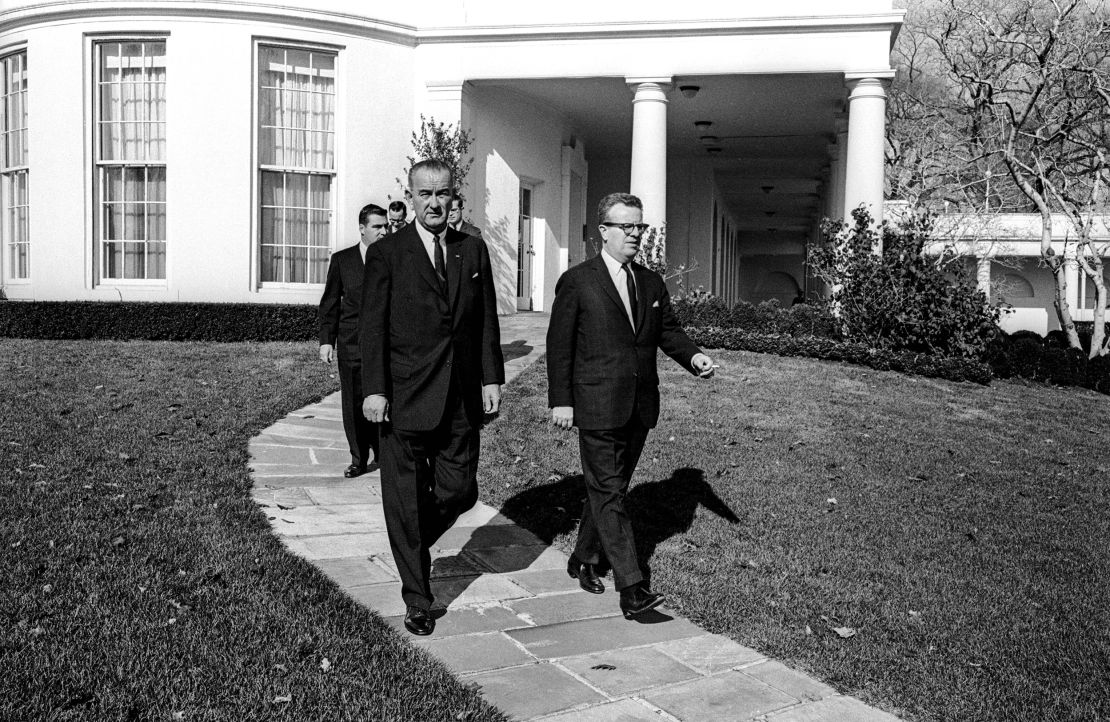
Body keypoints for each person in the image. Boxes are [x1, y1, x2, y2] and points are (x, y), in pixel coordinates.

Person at [546, 192, 717, 620]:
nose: (635, 234)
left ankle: (584, 556)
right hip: (596, 405)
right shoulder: (578, 281)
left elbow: (668, 332)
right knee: (608, 491)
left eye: (639, 226)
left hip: (639, 406)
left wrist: (693, 357)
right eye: (626, 226)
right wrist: (561, 401)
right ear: (603, 231)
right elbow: (559, 347)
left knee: (611, 491)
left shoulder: (651, 282)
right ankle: (633, 588)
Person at [360, 159, 504, 636]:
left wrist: (491, 378)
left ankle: (411, 545)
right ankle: (418, 597)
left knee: (461, 491)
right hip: (403, 396)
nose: (435, 203)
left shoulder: (472, 251)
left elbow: (485, 321)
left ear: (453, 196)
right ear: (412, 195)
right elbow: (372, 327)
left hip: (460, 395)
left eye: (442, 193)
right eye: (425, 194)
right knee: (402, 500)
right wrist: (375, 389)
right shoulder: (387, 253)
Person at [318, 204, 388, 477]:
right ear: (362, 228)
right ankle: (359, 458)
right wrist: (327, 341)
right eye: (377, 227)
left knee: (384, 398)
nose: (384, 232)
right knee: (353, 402)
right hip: (352, 345)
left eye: (386, 226)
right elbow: (330, 304)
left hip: (385, 347)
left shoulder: (394, 258)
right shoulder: (342, 260)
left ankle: (385, 453)